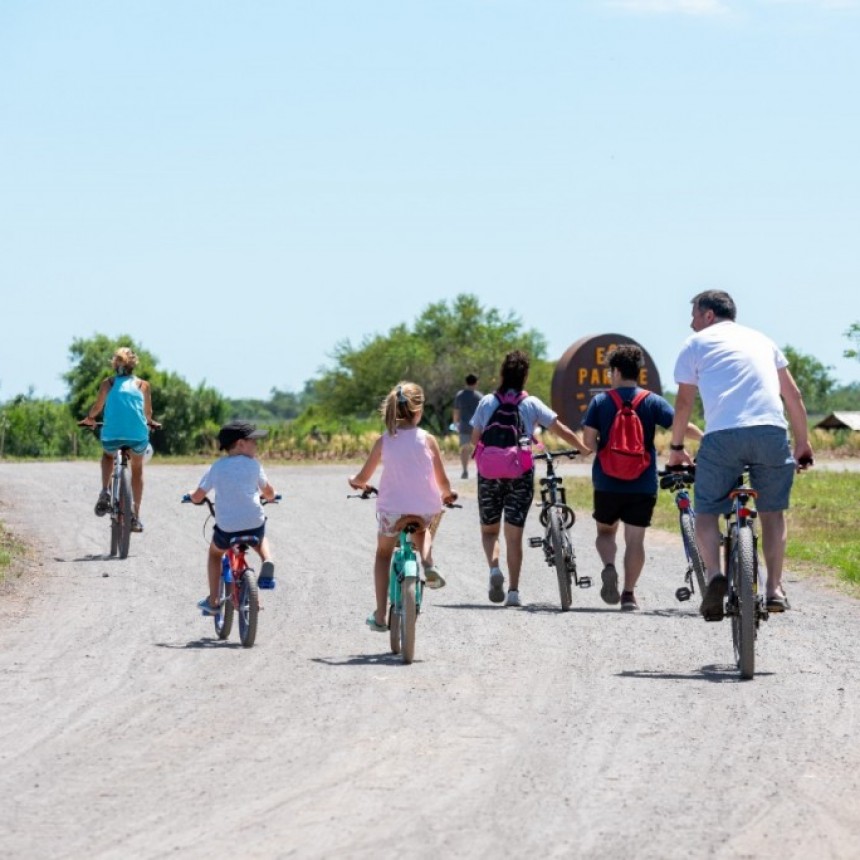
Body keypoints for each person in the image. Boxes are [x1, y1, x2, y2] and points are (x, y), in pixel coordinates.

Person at [668, 290, 814, 620]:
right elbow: (793, 394)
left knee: (705, 511)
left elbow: (683, 404)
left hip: (722, 436)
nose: (691, 323)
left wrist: (677, 448)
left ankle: (714, 576)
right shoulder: (763, 340)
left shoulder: (695, 345)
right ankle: (774, 589)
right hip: (771, 431)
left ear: (708, 315)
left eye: (693, 314)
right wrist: (802, 443)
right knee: (772, 513)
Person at [582, 345, 702, 611]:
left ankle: (609, 566)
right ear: (638, 373)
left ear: (614, 371)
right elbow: (681, 426)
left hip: (607, 481)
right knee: (635, 540)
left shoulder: (600, 402)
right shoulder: (652, 401)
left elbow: (588, 443)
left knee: (605, 531)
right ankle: (628, 594)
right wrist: (705, 437)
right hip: (642, 481)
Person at [470, 350, 590, 608]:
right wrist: (582, 448)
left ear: (502, 373)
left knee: (490, 531)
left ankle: (494, 570)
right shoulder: (531, 403)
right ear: (525, 376)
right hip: (520, 474)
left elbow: (474, 439)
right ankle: (513, 591)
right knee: (514, 535)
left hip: (489, 474)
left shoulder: (487, 402)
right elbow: (561, 429)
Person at [348, 382, 457, 632]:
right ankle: (428, 564)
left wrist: (356, 483)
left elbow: (363, 477)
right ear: (419, 410)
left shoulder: (384, 441)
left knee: (383, 554)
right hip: (424, 509)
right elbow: (442, 481)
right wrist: (449, 494)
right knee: (423, 529)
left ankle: (380, 614)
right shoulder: (428, 440)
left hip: (392, 510)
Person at [186, 421, 278, 615]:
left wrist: (192, 496)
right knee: (260, 536)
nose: (256, 445)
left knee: (214, 554)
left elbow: (198, 496)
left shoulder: (217, 467)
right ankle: (267, 559)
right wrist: (271, 497)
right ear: (240, 444)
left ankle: (213, 601)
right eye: (253, 441)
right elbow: (268, 492)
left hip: (227, 529)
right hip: (253, 524)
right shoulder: (254, 466)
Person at [78, 347, 160, 533]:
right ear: (134, 365)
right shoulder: (143, 385)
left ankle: (105, 491)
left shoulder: (108, 383)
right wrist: (150, 422)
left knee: (108, 456)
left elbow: (98, 407)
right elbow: (147, 413)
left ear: (115, 365)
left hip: (112, 434)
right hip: (137, 436)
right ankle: (135, 517)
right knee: (137, 470)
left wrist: (90, 419)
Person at [452, 373, 483, 479]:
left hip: (464, 426)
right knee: (479, 449)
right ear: (476, 382)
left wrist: (455, 423)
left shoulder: (460, 395)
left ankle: (465, 471)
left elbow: (456, 411)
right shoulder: (479, 396)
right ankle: (481, 470)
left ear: (466, 382)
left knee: (464, 449)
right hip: (477, 427)